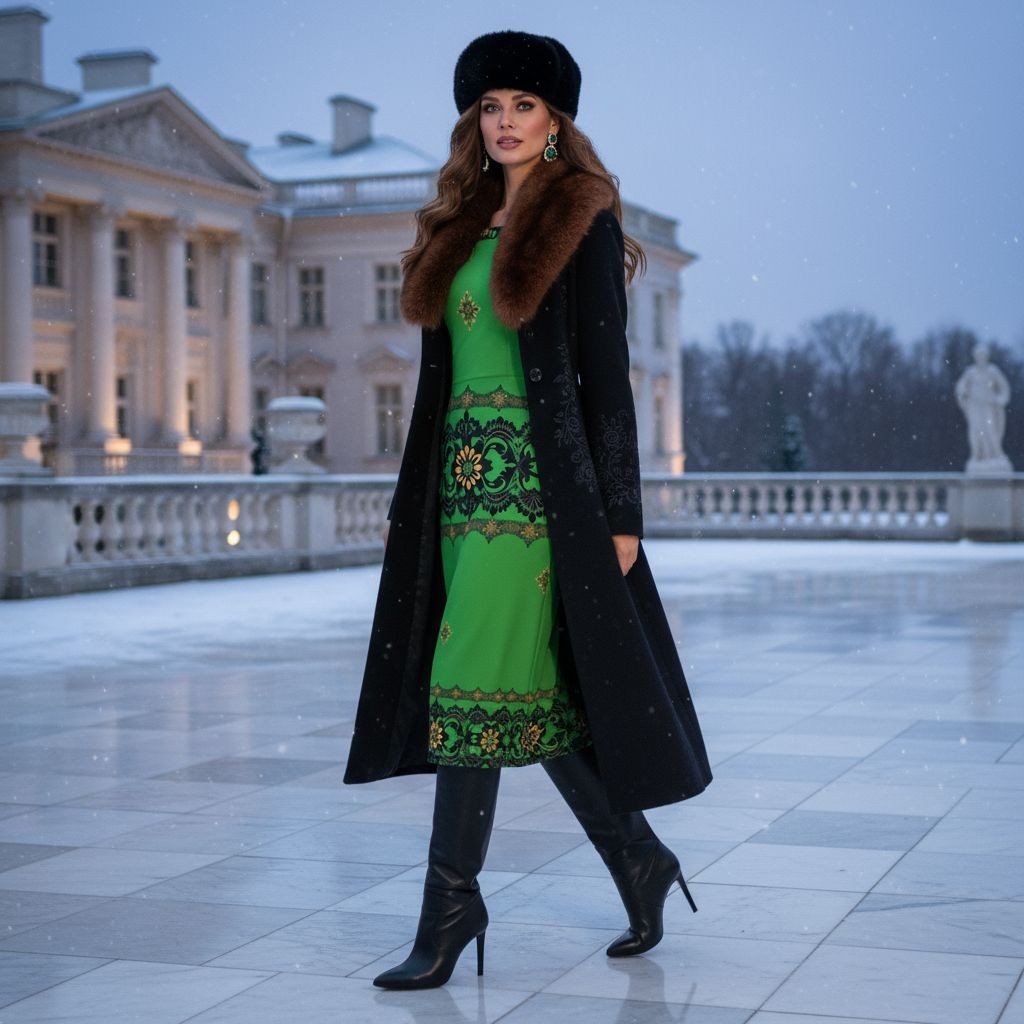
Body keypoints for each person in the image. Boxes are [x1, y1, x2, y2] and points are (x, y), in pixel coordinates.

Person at [342, 29, 713, 990]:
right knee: (521, 697)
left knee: (467, 683)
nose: (504, 123)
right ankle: (638, 857)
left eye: (525, 108)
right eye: (491, 107)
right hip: (459, 492)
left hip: (540, 496)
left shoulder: (579, 218)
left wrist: (621, 512)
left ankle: (450, 907)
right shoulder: (458, 223)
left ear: (556, 123)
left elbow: (606, 381)